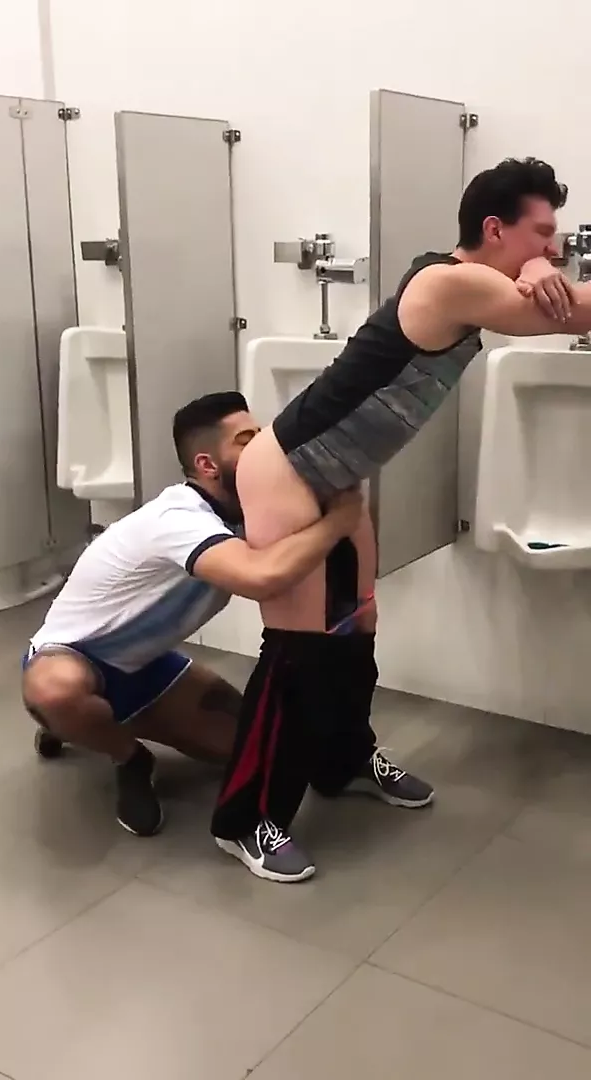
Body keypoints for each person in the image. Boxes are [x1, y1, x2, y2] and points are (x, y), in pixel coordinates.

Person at [212, 156, 589, 882]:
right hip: (287, 469)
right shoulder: (450, 283)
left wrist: (539, 267)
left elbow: (545, 296)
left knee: (357, 626)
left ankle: (343, 759)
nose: (554, 245)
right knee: (297, 648)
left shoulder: (462, 278)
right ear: (495, 228)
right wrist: (545, 277)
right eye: (543, 233)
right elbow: (570, 313)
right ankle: (245, 819)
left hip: (334, 475)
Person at [22, 392, 367, 837]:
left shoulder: (245, 516)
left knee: (252, 748)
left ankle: (84, 725)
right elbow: (262, 577)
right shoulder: (178, 519)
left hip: (148, 669)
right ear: (207, 465)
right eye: (247, 440)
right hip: (71, 659)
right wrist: (339, 521)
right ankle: (127, 756)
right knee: (57, 693)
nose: (263, 448)